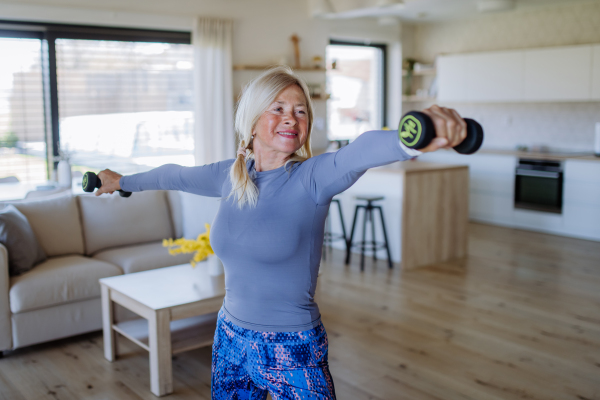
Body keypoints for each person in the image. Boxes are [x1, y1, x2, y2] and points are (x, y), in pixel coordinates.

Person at [95, 66, 467, 400]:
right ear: (253, 120)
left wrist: (410, 137)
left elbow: (359, 152)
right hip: (229, 336)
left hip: (293, 347)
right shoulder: (230, 175)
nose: (291, 118)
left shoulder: (312, 179)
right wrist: (122, 181)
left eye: (300, 111)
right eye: (278, 108)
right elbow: (172, 174)